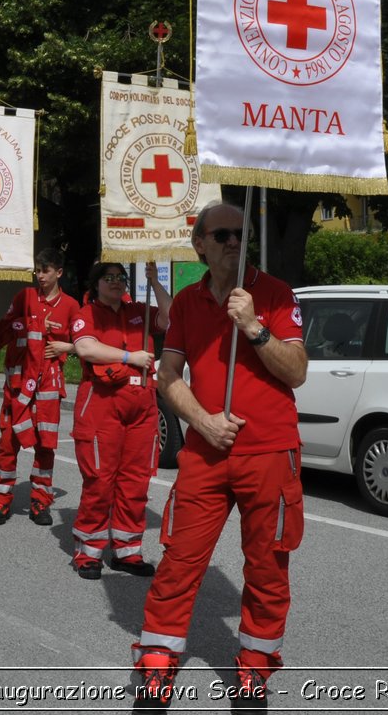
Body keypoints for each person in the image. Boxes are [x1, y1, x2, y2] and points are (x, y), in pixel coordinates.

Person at [130, 203, 307, 712]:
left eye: (241, 233)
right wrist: (203, 421)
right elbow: (167, 376)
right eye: (223, 234)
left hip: (270, 452)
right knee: (180, 561)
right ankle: (158, 662)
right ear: (199, 245)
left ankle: (254, 669)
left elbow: (296, 371)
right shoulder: (186, 302)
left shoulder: (273, 293)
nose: (234, 241)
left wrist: (254, 325)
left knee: (268, 567)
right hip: (206, 455)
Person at [69, 261, 171, 579]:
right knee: (100, 481)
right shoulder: (86, 314)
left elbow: (170, 317)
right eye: (109, 278)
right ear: (96, 283)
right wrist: (129, 357)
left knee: (135, 482)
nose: (116, 282)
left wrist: (154, 283)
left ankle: (127, 551)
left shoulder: (138, 311)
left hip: (141, 406)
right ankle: (89, 552)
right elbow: (85, 348)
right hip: (102, 405)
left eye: (120, 277)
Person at [0, 249, 79, 526]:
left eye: (46, 270)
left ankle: (40, 502)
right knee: (8, 443)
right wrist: (30, 323)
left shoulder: (71, 306)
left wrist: (66, 346)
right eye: (38, 270)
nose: (40, 275)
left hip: (48, 387)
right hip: (17, 386)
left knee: (46, 446)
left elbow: (87, 343)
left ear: (59, 273)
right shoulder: (24, 298)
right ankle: (1, 502)